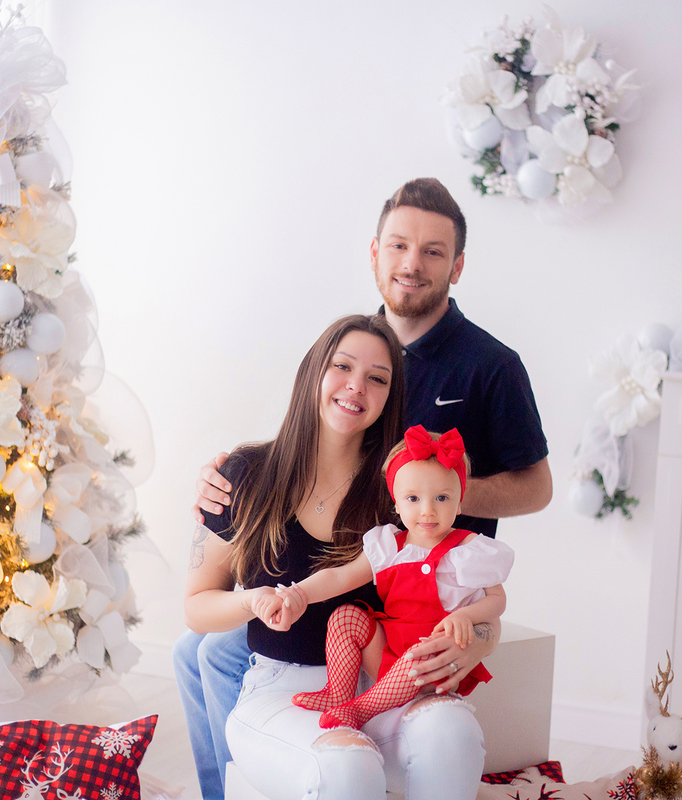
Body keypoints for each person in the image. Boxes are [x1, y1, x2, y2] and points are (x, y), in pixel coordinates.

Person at [176, 178, 551, 799]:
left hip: (419, 590)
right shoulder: (356, 341)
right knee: (198, 651)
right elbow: (297, 448)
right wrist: (228, 482)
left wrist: (433, 502)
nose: (412, 263)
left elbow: (535, 489)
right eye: (399, 245)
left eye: (433, 251)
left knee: (220, 655)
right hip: (317, 594)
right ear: (374, 252)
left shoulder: (489, 366)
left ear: (458, 267)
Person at [184, 314, 489, 800]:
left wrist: (477, 641)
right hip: (279, 688)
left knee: (451, 733)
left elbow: (473, 598)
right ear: (314, 371)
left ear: (391, 395)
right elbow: (197, 605)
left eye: (377, 378)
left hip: (377, 687)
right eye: (342, 366)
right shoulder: (244, 473)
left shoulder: (402, 490)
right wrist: (254, 601)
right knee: (348, 769)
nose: (356, 386)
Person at [254, 425, 514, 732]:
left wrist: (466, 616)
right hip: (389, 656)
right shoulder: (390, 546)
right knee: (345, 616)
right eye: (413, 498)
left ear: (460, 502)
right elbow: (340, 578)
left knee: (425, 648)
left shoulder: (469, 549)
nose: (428, 510)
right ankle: (338, 693)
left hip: (435, 665)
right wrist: (299, 594)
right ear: (396, 503)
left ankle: (362, 708)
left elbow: (498, 600)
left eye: (442, 498)